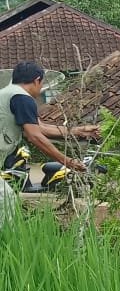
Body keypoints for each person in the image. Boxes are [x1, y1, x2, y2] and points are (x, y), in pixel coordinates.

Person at [0, 61, 97, 217]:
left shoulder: (10, 94)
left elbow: (41, 128)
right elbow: (35, 136)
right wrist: (67, 161)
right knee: (7, 201)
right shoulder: (22, 98)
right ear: (37, 80)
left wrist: (79, 131)